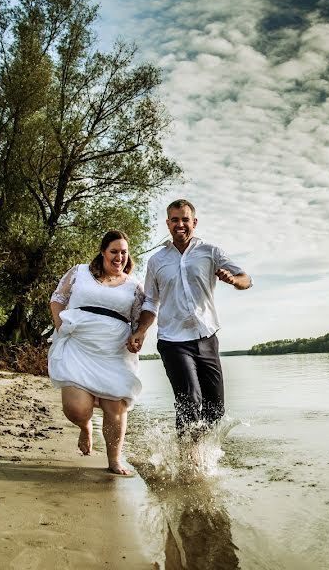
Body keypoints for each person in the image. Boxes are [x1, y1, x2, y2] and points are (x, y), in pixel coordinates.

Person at [128, 199, 251, 440]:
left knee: (215, 410)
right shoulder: (157, 261)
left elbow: (246, 278)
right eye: (175, 220)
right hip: (173, 340)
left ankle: (202, 455)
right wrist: (140, 331)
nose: (180, 224)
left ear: (194, 222)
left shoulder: (210, 252)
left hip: (207, 338)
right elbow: (151, 302)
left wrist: (234, 281)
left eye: (185, 219)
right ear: (168, 223)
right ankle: (189, 459)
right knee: (190, 400)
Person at [48, 230, 145, 475]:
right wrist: (60, 325)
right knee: (76, 408)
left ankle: (114, 460)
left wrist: (137, 338)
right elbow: (58, 298)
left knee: (116, 408)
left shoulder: (134, 285)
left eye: (124, 252)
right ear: (103, 252)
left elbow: (138, 321)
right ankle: (85, 426)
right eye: (114, 251)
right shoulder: (79, 272)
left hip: (114, 351)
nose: (119, 257)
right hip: (78, 346)